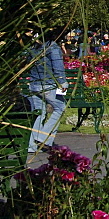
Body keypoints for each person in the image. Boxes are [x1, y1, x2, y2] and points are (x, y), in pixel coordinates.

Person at [23, 30, 69, 159]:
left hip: (34, 84)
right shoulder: (52, 47)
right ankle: (42, 137)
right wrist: (62, 82)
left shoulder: (34, 48)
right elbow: (58, 67)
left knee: (39, 112)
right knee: (60, 108)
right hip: (48, 84)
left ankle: (31, 144)